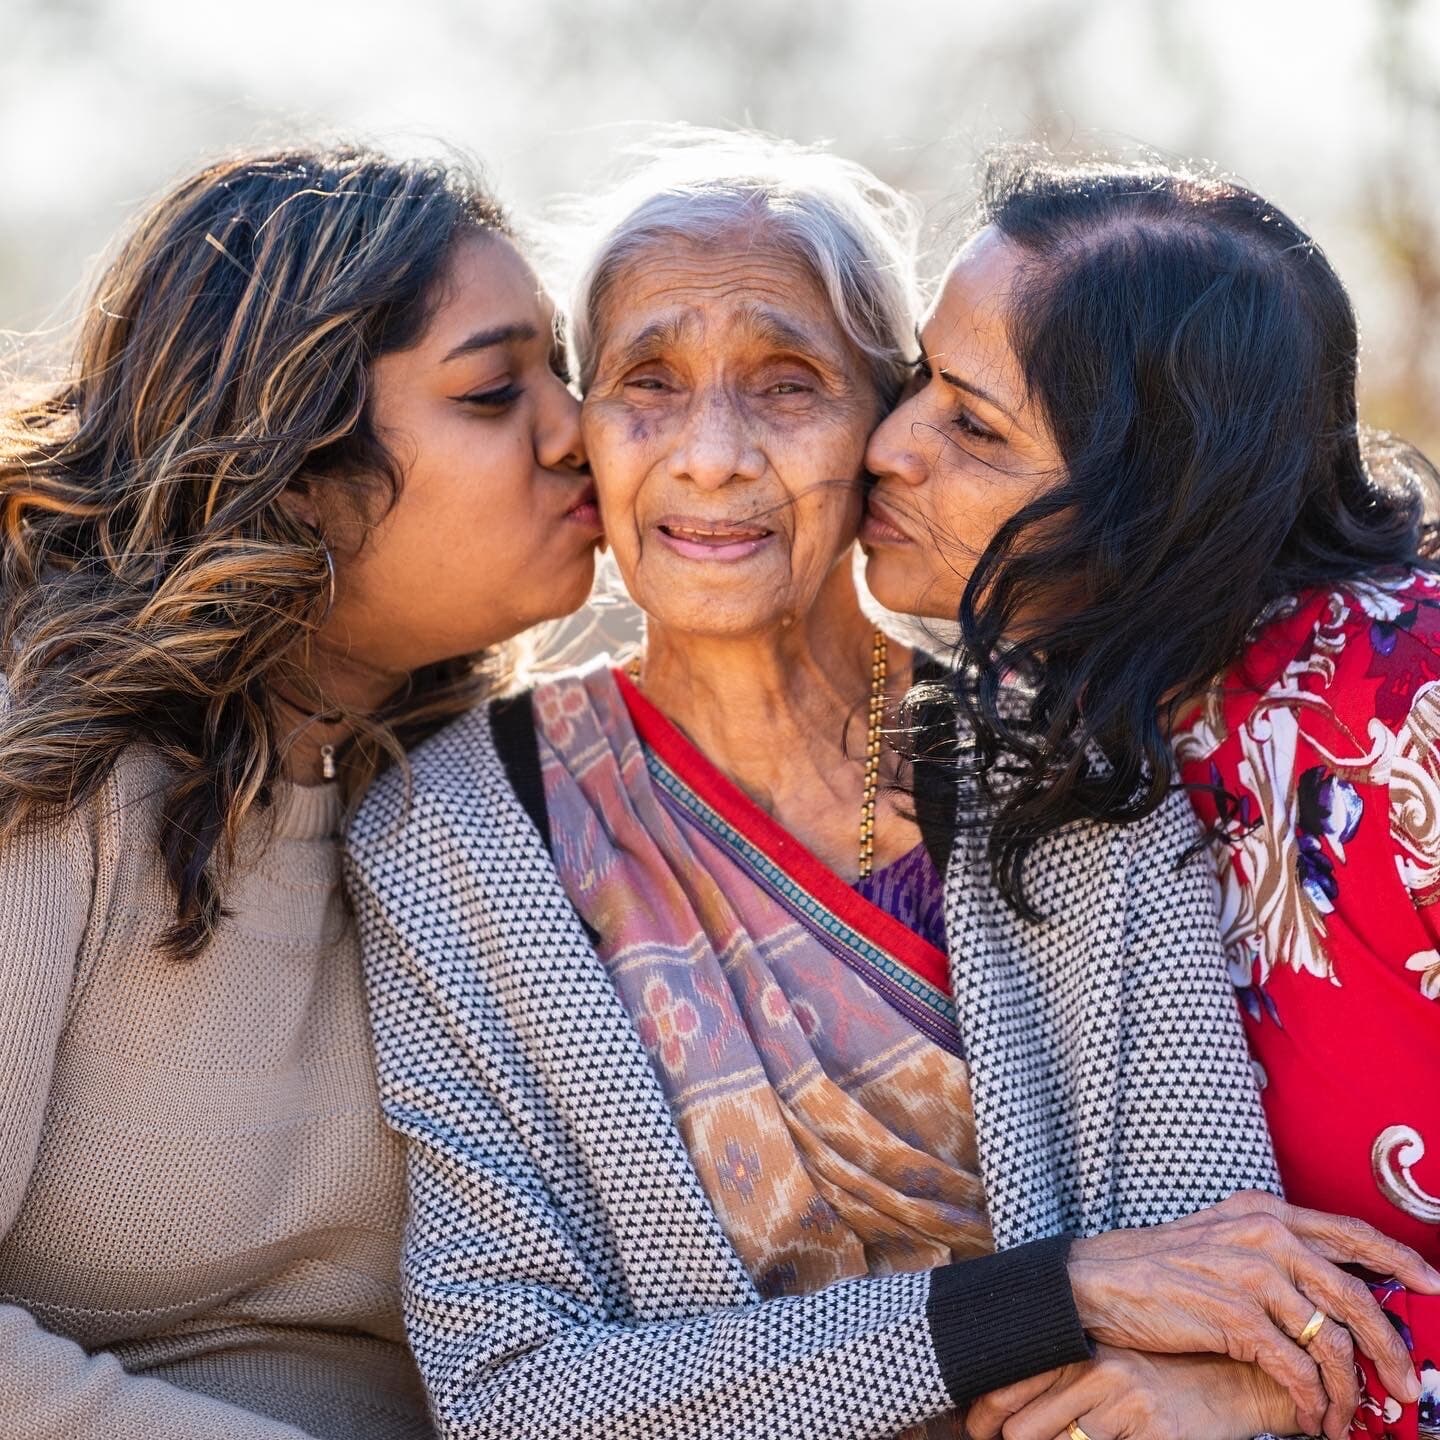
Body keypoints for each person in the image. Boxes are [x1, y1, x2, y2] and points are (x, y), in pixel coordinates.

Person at [347, 134, 1435, 1440]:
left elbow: (1218, 1279)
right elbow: (516, 1394)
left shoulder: (1082, 765)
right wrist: (1049, 1296)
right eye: (649, 381)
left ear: (881, 413)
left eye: (789, 383)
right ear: (586, 429)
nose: (709, 455)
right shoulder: (446, 833)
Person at [0, 142, 599, 1438]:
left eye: (569, 374)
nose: (580, 434)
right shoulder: (45, 766)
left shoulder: (486, 805)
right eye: (497, 392)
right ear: (298, 466)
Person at [861, 148, 1440, 1440]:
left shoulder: (1411, 713)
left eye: (972, 425)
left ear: (1158, 494)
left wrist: (1284, 1387)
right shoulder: (1061, 721)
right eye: (915, 381)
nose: (887, 446)